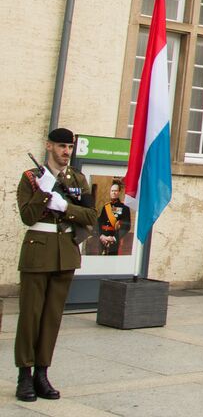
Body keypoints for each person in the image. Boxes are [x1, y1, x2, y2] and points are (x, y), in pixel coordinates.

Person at [15, 128, 98, 402]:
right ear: (49, 146)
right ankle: (24, 376)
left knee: (52, 317)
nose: (66, 152)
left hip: (65, 253)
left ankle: (42, 373)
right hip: (38, 252)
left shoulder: (78, 179)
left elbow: (91, 215)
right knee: (30, 317)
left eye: (70, 147)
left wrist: (65, 207)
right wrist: (43, 193)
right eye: (61, 146)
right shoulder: (31, 178)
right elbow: (27, 217)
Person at [96, 180, 132, 256]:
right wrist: (101, 236)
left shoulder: (124, 207)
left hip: (114, 239)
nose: (114, 193)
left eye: (116, 191)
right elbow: (100, 222)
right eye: (112, 191)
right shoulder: (106, 207)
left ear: (119, 192)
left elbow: (126, 226)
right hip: (103, 239)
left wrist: (114, 238)